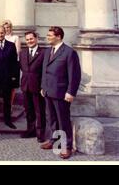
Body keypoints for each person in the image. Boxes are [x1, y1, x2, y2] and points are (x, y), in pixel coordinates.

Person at [40, 26, 81, 159]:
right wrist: (43, 87)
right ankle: (54, 141)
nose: (48, 37)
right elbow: (44, 71)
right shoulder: (47, 51)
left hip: (61, 93)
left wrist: (71, 92)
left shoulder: (69, 52)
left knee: (63, 120)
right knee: (51, 119)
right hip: (48, 91)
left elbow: (74, 75)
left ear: (58, 36)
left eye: (50, 35)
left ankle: (67, 146)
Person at [19, 31, 46, 142]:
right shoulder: (23, 53)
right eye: (27, 39)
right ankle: (30, 130)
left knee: (39, 111)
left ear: (36, 39)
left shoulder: (44, 53)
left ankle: (40, 133)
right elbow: (22, 68)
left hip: (38, 87)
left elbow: (45, 71)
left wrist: (44, 86)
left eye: (31, 39)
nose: (29, 41)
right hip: (25, 86)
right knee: (28, 110)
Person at [1, 19, 22, 108]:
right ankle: (4, 104)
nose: (6, 29)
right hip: (2, 65)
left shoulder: (15, 38)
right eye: (5, 27)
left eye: (8, 27)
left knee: (12, 86)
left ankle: (10, 105)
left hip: (12, 64)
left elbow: (17, 51)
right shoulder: (0, 37)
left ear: (11, 28)